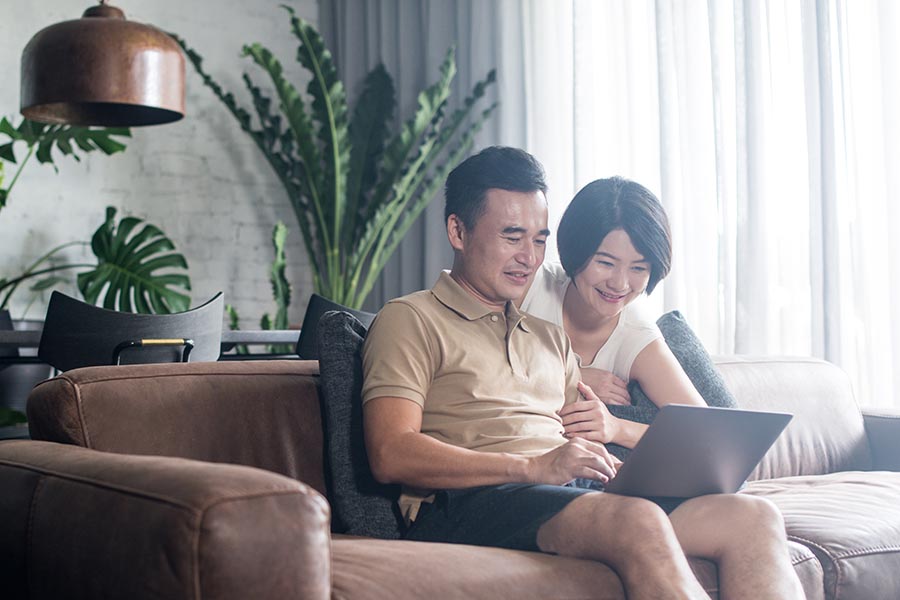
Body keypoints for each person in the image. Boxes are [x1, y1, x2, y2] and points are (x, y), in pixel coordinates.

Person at [361, 146, 804, 599]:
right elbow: (390, 451)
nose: (529, 257)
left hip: (568, 496)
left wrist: (603, 456)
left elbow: (592, 439)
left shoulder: (548, 338)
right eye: (512, 237)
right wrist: (533, 466)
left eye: (538, 240)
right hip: (469, 501)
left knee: (751, 516)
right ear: (458, 230)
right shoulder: (410, 319)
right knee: (634, 518)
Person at [519, 177, 706, 450]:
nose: (620, 283)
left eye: (638, 269)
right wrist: (573, 376)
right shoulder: (530, 286)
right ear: (575, 251)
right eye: (605, 263)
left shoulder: (636, 336)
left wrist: (619, 427)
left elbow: (704, 435)